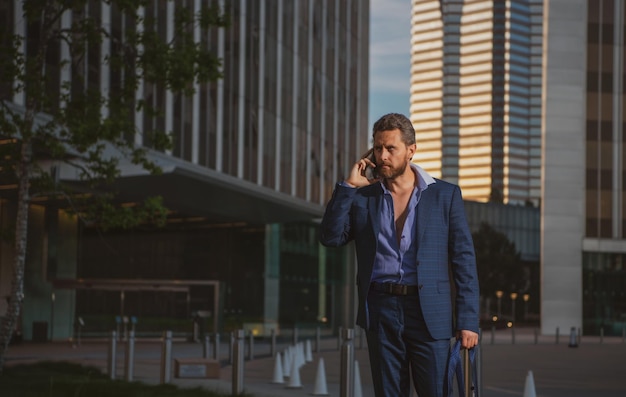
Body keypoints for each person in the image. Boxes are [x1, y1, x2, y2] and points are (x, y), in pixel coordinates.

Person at [319, 113, 479, 397]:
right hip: (381, 310)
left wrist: (467, 320)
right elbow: (331, 238)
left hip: (429, 311)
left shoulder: (444, 195)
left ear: (411, 150)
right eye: (378, 148)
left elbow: (463, 259)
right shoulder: (362, 197)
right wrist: (347, 187)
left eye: (391, 148)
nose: (382, 156)